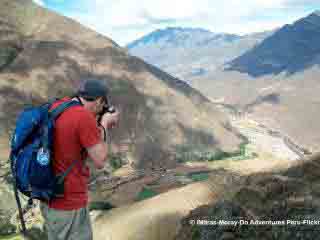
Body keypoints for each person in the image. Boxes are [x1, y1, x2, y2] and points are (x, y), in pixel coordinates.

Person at [40, 79, 120, 240]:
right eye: (101, 106)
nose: (100, 111)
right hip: (69, 203)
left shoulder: (58, 106)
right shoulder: (83, 117)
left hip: (48, 198)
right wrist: (104, 123)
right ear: (99, 101)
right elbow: (100, 160)